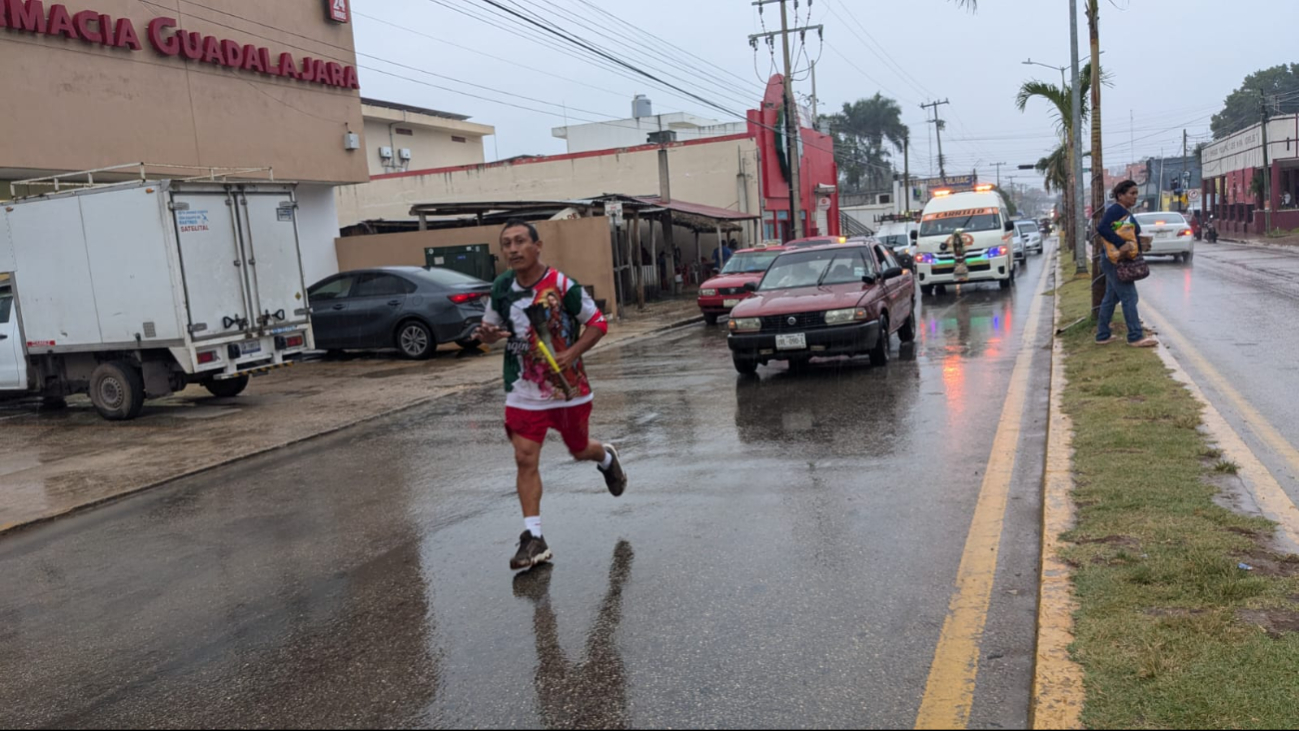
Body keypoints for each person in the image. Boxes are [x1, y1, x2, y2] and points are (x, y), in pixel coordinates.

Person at [474, 219, 628, 571]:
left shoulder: (561, 285)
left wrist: (572, 352)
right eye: (506, 244)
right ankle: (534, 537)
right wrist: (487, 336)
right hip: (522, 389)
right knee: (525, 457)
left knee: (579, 450)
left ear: (537, 245)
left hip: (566, 389)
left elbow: (598, 322)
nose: (512, 249)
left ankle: (605, 457)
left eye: (519, 242)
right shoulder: (501, 287)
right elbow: (488, 331)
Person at [1095, 180, 1158, 348]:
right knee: (1130, 297)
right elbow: (1102, 228)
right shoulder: (1115, 210)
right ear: (1120, 195)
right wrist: (1120, 243)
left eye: (1136, 193)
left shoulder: (1124, 211)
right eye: (1131, 193)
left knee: (1111, 297)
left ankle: (1102, 335)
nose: (1135, 197)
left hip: (1116, 260)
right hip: (1116, 261)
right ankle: (1135, 336)